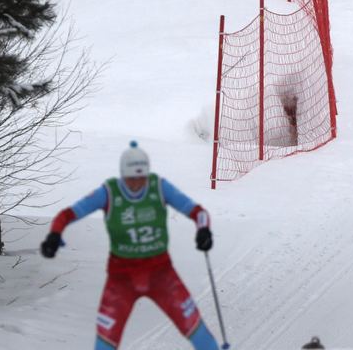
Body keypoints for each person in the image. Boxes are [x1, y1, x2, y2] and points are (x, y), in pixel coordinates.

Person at [40, 141, 221, 350]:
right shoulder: (109, 192)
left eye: (141, 177)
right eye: (131, 179)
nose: (137, 183)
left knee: (196, 329)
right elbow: (68, 214)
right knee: (105, 342)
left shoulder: (159, 187)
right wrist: (55, 234)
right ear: (123, 176)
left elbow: (198, 212)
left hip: (161, 274)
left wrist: (203, 230)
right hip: (121, 278)